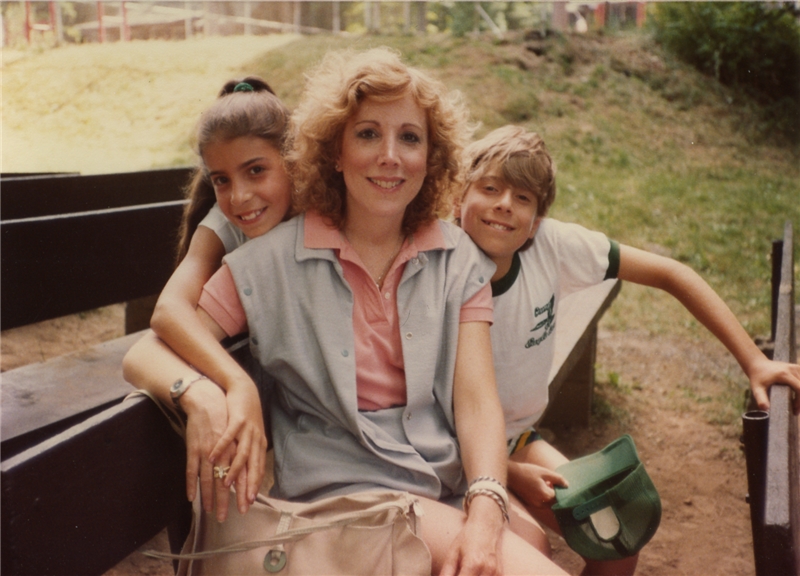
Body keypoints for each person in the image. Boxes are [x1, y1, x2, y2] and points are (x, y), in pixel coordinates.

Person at [124, 48, 566, 575]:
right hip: (347, 500)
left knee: (533, 542)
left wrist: (488, 502)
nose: (390, 156)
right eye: (367, 134)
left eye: (410, 138)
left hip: (435, 481)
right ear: (335, 150)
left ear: (431, 156)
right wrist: (202, 392)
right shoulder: (269, 263)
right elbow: (147, 351)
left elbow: (476, 401)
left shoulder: (458, 259)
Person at [454, 124, 800, 576]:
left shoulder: (551, 246)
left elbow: (672, 274)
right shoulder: (439, 269)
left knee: (615, 535)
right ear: (458, 198)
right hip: (450, 451)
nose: (504, 204)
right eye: (490, 188)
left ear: (537, 220)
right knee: (529, 551)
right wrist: (509, 474)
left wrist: (753, 361)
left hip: (516, 440)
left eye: (522, 197)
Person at [129, 76, 293, 514]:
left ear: (294, 160)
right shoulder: (226, 222)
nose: (239, 197)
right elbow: (168, 312)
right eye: (221, 180)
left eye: (256, 170)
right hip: (241, 365)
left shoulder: (315, 223)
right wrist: (227, 384)